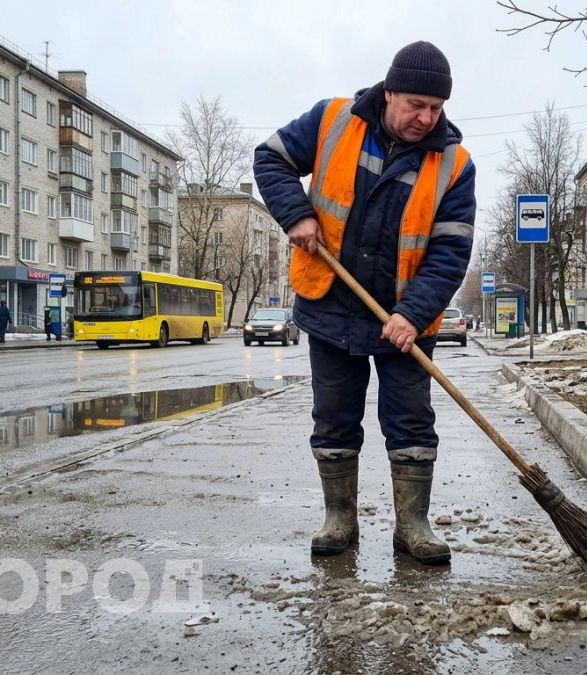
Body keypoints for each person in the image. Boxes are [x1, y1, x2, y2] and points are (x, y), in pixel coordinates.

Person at [254, 41, 475, 565]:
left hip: (405, 318)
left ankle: (412, 524)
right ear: (390, 92)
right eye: (416, 105)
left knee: (411, 421)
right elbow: (271, 158)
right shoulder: (333, 121)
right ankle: (339, 518)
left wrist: (412, 315)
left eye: (436, 108)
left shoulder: (454, 164)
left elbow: (450, 252)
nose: (426, 118)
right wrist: (296, 214)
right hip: (332, 303)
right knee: (333, 418)